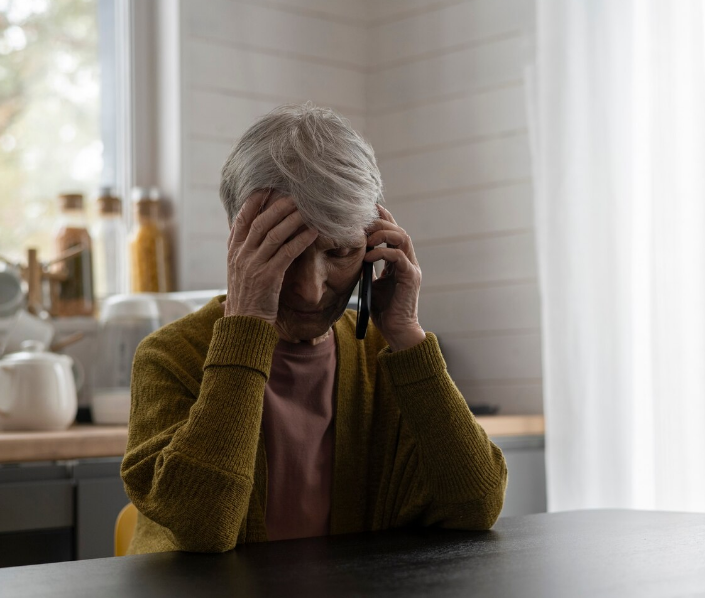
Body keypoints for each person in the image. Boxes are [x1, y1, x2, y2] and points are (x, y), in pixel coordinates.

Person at [120, 104, 507, 553]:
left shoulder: (385, 356)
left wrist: (407, 335)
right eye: (283, 252)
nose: (309, 291)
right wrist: (246, 328)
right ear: (238, 239)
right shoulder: (169, 356)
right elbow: (204, 526)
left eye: (340, 253)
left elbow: (477, 506)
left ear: (374, 244)